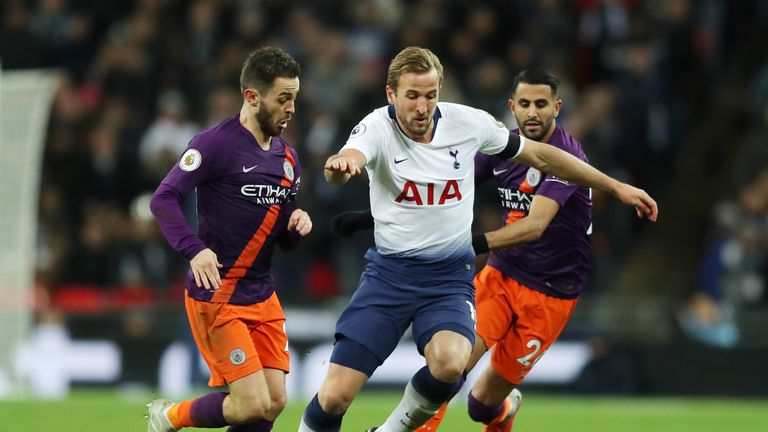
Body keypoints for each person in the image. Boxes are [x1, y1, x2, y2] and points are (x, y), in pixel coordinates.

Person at [300, 47, 656, 432]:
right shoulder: (375, 127)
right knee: (336, 396)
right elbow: (363, 161)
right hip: (403, 277)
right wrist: (346, 173)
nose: (423, 107)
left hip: (506, 286)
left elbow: (541, 182)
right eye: (413, 96)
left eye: (431, 95)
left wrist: (617, 187)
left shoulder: (472, 125)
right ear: (391, 95)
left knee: (466, 385)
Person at [413, 68, 597, 431]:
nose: (532, 112)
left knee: (481, 405)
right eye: (525, 104)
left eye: (541, 104)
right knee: (450, 367)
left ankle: (503, 411)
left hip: (550, 296)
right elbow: (452, 179)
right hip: (501, 275)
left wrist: (467, 244)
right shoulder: (504, 147)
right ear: (512, 107)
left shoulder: (567, 157)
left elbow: (534, 226)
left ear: (556, 107)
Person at [146, 46, 312, 432]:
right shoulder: (214, 144)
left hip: (263, 294)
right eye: (283, 99)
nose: (291, 109)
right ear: (252, 96)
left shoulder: (288, 159)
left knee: (273, 403)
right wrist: (195, 249)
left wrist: (295, 225)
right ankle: (169, 417)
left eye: (294, 99)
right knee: (251, 402)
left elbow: (279, 233)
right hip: (219, 294)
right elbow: (163, 199)